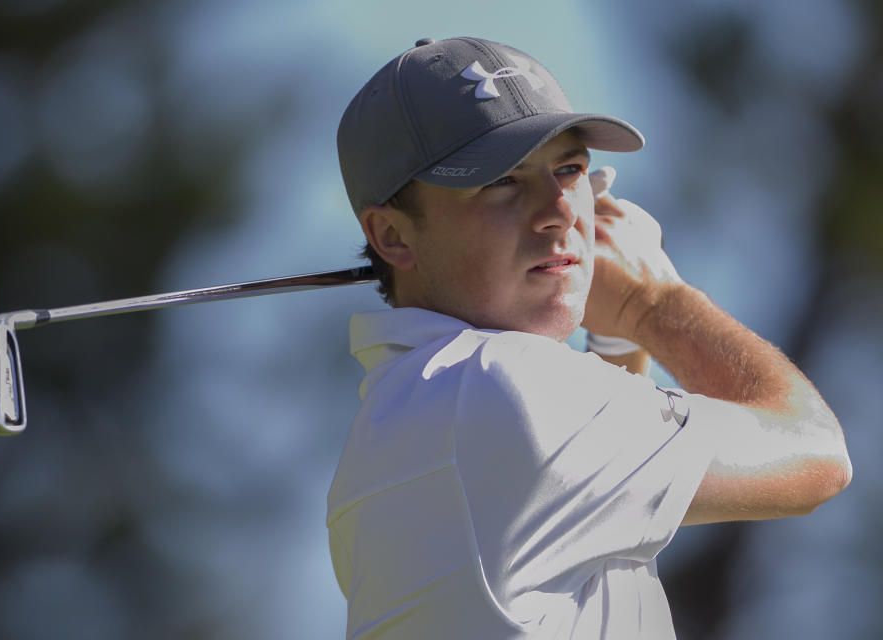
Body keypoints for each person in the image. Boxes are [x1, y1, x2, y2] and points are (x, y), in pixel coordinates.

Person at [326, 37, 852, 639]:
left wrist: (612, 334)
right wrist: (652, 303)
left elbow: (609, 498)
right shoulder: (500, 386)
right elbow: (815, 454)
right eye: (500, 180)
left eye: (569, 169)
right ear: (392, 236)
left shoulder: (414, 408)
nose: (560, 211)